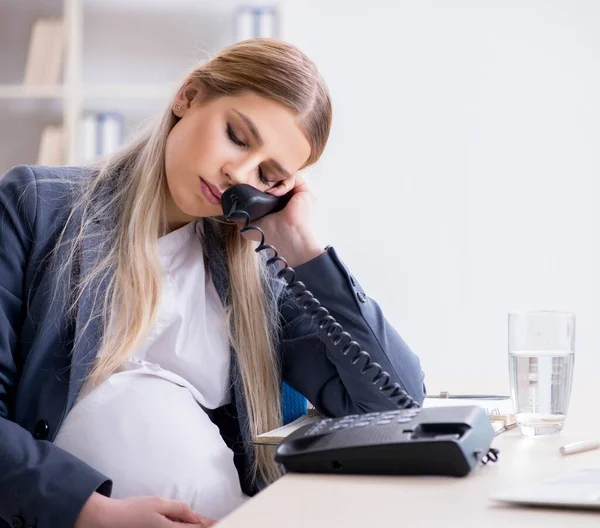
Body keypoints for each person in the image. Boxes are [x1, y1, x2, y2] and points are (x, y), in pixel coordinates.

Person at [0, 38, 426, 528]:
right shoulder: (38, 207)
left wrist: (307, 252)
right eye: (238, 137)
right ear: (189, 96)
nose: (237, 174)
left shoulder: (254, 274)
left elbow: (395, 406)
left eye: (268, 175)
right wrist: (86, 511)